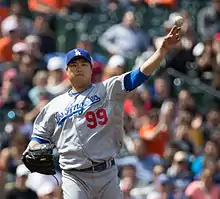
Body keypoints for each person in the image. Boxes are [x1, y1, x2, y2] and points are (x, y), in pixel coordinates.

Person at [22, 24, 181, 199]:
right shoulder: (54, 106)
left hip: (107, 173)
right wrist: (31, 149)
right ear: (67, 71)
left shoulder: (108, 89)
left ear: (91, 69)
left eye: (84, 64)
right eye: (74, 65)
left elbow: (140, 74)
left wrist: (161, 52)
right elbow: (38, 137)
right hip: (74, 176)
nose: (79, 68)